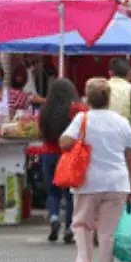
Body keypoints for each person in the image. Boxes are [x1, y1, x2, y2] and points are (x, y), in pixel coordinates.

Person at [58, 79, 131, 262]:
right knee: (107, 232)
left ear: (87, 97)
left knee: (82, 226)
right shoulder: (122, 122)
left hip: (88, 181)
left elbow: (63, 142)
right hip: (117, 182)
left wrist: (81, 142)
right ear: (108, 98)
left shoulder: (82, 119)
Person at [38, 78, 85, 243]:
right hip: (68, 154)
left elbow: (41, 132)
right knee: (70, 193)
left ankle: (54, 218)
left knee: (52, 191)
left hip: (48, 153)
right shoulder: (77, 109)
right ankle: (69, 228)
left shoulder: (45, 110)